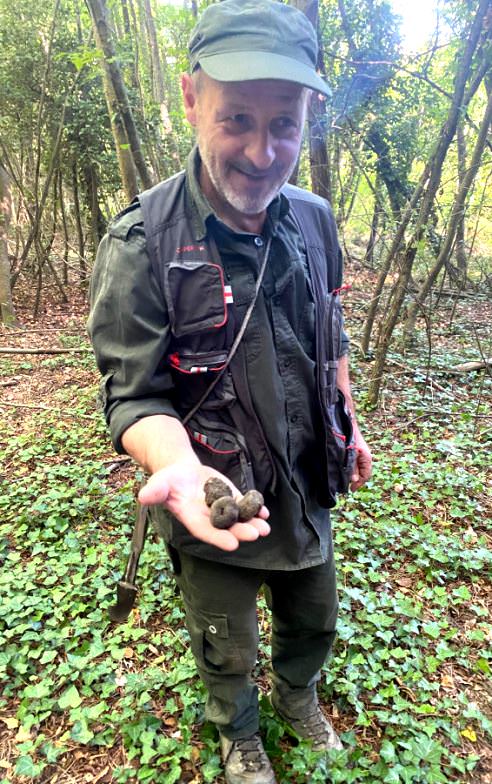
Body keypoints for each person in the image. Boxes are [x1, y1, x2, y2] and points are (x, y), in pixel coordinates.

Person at [88, 1, 372, 782]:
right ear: (190, 98)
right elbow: (132, 396)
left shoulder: (314, 220)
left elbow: (330, 331)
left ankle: (297, 695)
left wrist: (349, 422)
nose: (260, 150)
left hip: (306, 482)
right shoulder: (141, 242)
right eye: (236, 118)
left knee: (315, 615)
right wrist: (175, 463)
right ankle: (237, 729)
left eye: (284, 124)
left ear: (308, 117)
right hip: (212, 499)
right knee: (226, 640)